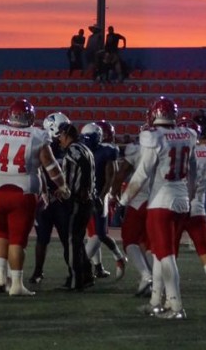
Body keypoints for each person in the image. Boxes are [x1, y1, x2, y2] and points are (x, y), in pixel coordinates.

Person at [0, 98, 70, 296]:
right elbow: (51, 166)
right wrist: (62, 185)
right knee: (18, 241)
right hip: (22, 193)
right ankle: (16, 285)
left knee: (1, 235)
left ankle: (0, 278)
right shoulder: (37, 135)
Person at [119, 96, 196, 319]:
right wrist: (189, 197)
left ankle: (176, 306)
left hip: (161, 201)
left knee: (165, 256)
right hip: (182, 200)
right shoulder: (188, 135)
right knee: (161, 255)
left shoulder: (154, 137)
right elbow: (192, 173)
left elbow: (142, 173)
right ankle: (155, 301)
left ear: (154, 114)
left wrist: (124, 200)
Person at [175, 117, 206, 311]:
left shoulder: (179, 150)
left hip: (178, 205)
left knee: (170, 254)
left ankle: (166, 295)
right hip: (198, 207)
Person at [28, 112, 72, 285]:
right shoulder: (44, 145)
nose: (66, 132)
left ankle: (72, 271)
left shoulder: (69, 146)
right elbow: (38, 171)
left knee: (66, 238)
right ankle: (38, 271)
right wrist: (44, 192)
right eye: (62, 129)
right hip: (47, 198)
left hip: (64, 199)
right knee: (42, 238)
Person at [110, 130, 153, 296]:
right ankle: (154, 282)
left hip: (138, 200)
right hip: (158, 200)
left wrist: (115, 196)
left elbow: (122, 174)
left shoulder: (136, 149)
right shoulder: (166, 145)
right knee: (149, 244)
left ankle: (146, 275)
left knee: (129, 240)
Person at [82, 121, 126, 280]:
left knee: (99, 234)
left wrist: (103, 197)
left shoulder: (108, 151)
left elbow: (111, 177)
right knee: (92, 233)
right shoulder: (82, 149)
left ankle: (82, 264)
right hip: (86, 195)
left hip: (101, 195)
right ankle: (100, 267)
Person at [57, 122, 95, 291]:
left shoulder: (74, 149)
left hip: (79, 201)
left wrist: (84, 190)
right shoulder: (83, 148)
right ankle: (86, 275)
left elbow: (85, 167)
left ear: (67, 135)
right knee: (78, 241)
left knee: (72, 240)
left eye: (61, 136)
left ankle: (76, 280)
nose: (59, 140)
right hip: (84, 200)